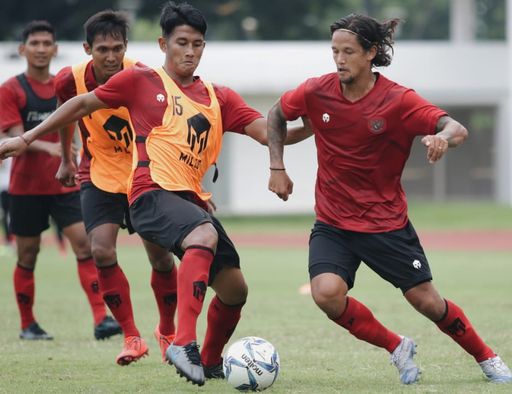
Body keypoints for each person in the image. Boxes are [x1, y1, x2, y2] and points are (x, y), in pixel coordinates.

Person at [0, 2, 311, 386]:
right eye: (182, 42)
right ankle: (179, 341)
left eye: (198, 44)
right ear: (164, 43)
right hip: (147, 193)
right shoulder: (139, 81)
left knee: (234, 290)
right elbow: (81, 103)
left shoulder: (220, 97)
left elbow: (269, 132)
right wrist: (27, 137)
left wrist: (313, 126)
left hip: (188, 200)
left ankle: (209, 363)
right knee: (194, 236)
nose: (190, 51)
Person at [267, 13, 512, 385]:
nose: (339, 59)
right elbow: (276, 115)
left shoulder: (398, 100)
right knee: (326, 293)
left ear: (371, 53)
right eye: (334, 51)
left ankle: (486, 356)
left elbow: (455, 127)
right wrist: (277, 167)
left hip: (385, 225)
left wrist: (442, 138)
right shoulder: (316, 91)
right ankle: (396, 346)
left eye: (348, 51)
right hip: (333, 223)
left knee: (427, 302)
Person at [53, 10, 178, 366]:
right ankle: (131, 337)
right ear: (87, 48)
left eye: (117, 49)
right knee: (101, 251)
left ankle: (167, 331)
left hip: (144, 173)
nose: (111, 57)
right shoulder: (69, 80)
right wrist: (67, 157)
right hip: (98, 173)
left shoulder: (146, 77)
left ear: (126, 47)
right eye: (103, 49)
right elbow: (67, 113)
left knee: (161, 257)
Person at [0, 20, 120, 341]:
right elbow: (14, 135)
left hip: (65, 185)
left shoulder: (66, 85)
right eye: (34, 43)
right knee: (28, 254)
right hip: (25, 188)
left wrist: (72, 152)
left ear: (55, 49)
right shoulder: (11, 89)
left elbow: (80, 120)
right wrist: (51, 146)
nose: (41, 49)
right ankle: (28, 325)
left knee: (85, 245)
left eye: (47, 43)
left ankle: (101, 320)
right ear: (23, 50)